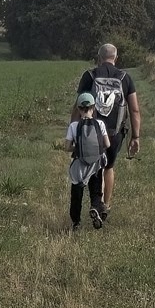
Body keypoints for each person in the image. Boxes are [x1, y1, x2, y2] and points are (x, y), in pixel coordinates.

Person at [74, 40, 139, 225]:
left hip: (89, 131)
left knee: (95, 167)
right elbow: (134, 110)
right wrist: (136, 136)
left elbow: (78, 104)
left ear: (99, 58)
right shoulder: (125, 77)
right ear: (116, 58)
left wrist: (73, 128)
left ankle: (96, 202)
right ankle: (105, 205)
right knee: (108, 167)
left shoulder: (90, 75)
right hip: (115, 132)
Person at [62, 90, 112, 229]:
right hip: (96, 163)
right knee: (96, 190)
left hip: (80, 163)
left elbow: (67, 147)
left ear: (78, 109)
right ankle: (95, 207)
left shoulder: (73, 126)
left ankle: (76, 222)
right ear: (93, 108)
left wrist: (79, 148)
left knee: (76, 192)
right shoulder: (100, 124)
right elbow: (107, 144)